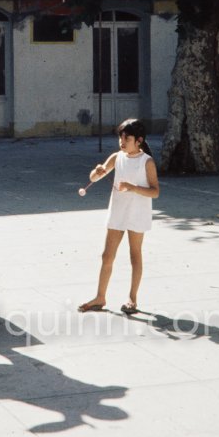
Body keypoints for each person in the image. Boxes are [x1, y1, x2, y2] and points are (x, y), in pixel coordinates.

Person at [78, 118, 159, 314]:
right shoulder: (117, 157)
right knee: (107, 255)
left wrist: (132, 187)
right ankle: (100, 297)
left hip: (137, 213)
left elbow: (155, 191)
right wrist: (96, 172)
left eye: (127, 138)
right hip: (118, 211)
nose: (122, 142)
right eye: (120, 138)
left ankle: (132, 299)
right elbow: (94, 178)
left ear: (139, 140)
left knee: (135, 255)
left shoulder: (146, 162)